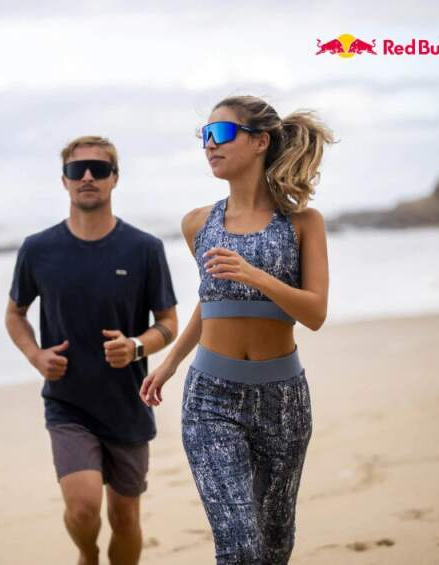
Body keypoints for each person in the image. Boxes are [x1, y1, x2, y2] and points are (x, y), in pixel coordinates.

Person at [140, 96, 335, 564]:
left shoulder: (303, 223)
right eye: (204, 136)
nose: (210, 144)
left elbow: (314, 313)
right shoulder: (197, 224)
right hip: (211, 398)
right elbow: (213, 303)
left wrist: (256, 276)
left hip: (283, 400)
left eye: (222, 133)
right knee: (240, 547)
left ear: (260, 141)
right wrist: (170, 362)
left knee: (275, 544)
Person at [5, 135, 178, 565]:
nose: (87, 177)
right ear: (64, 180)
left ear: (114, 179)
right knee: (83, 509)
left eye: (98, 170)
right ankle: (87, 554)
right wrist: (35, 356)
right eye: (76, 170)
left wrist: (135, 347)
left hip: (127, 404)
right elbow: (15, 315)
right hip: (68, 403)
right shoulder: (38, 249)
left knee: (125, 517)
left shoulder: (144, 249)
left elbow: (169, 324)